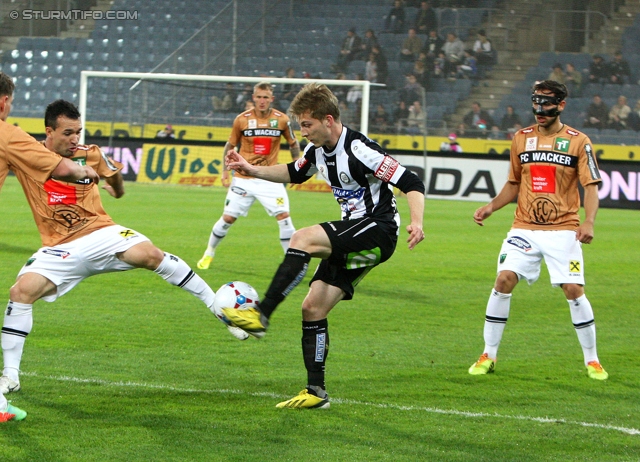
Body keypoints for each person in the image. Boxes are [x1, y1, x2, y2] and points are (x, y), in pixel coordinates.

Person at [0, 99, 249, 395]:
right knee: (21, 292)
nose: (74, 139)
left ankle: (217, 308)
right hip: (58, 247)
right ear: (49, 131)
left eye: (77, 132)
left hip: (101, 233)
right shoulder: (30, 155)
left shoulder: (89, 154)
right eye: (67, 132)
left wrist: (116, 190)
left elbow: (113, 174)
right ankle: (11, 376)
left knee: (151, 254)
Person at [221, 83, 425, 409]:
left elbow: (411, 182)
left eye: (307, 125)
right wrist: (251, 169)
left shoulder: (359, 148)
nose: (303, 133)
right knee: (312, 307)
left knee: (301, 238)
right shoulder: (317, 152)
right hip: (355, 235)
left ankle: (261, 315)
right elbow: (294, 172)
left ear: (327, 119)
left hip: (379, 230)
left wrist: (417, 221)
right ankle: (316, 392)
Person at [469, 80, 608, 381]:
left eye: (547, 103)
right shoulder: (521, 138)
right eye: (536, 102)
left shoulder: (578, 141)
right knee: (503, 279)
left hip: (564, 230)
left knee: (573, 290)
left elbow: (591, 186)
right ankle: (488, 354)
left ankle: (592, 360)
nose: (539, 109)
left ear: (561, 105)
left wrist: (589, 221)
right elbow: (514, 183)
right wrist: (492, 206)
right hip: (524, 228)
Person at [197, 82, 300, 270]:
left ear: (272, 99)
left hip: (270, 177)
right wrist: (224, 171)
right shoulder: (241, 120)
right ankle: (209, 252)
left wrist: (297, 170)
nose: (262, 101)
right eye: (259, 97)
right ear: (253, 97)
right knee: (228, 219)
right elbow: (230, 147)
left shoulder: (282, 120)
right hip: (244, 179)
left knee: (284, 217)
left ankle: (291, 264)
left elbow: (294, 145)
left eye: (266, 97)